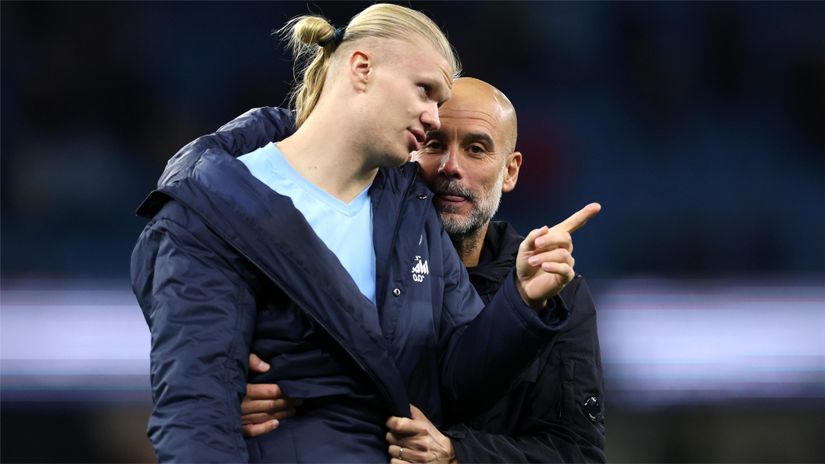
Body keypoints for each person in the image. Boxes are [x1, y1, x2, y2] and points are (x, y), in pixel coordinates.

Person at [131, 4, 597, 462]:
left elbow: (452, 381)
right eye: (425, 92)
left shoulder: (411, 207)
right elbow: (196, 415)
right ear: (361, 68)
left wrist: (519, 303)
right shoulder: (214, 209)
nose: (434, 116)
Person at [242, 78, 606, 463]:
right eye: (434, 144)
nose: (451, 167)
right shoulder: (339, 252)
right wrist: (232, 385)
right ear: (406, 149)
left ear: (510, 171)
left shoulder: (554, 297)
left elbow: (576, 454)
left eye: (476, 149)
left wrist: (456, 455)